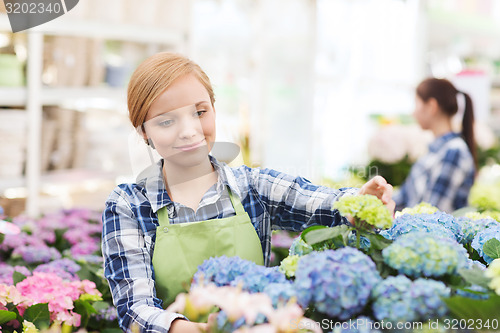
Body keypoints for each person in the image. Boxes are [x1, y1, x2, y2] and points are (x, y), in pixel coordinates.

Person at [102, 52, 395, 333]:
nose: (189, 131)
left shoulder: (252, 187)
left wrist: (362, 201)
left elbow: (324, 204)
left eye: (199, 112)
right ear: (143, 131)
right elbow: (135, 309)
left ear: (214, 109)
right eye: (167, 121)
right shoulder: (129, 205)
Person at [393, 77, 477, 213]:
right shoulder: (437, 148)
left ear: (431, 106)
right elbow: (404, 196)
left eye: (416, 103)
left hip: (427, 233)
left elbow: (432, 213)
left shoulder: (453, 151)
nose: (413, 112)